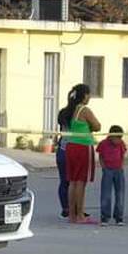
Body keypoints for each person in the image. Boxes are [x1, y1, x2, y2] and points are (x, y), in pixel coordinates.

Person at [64, 83, 101, 224]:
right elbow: (97, 126)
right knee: (81, 182)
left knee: (72, 181)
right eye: (88, 94)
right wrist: (91, 127)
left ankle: (72, 215)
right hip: (83, 146)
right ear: (84, 95)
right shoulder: (84, 110)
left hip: (71, 146)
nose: (90, 97)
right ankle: (80, 215)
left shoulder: (71, 109)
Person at [96, 125, 126, 226]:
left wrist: (121, 166)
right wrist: (103, 167)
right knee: (106, 194)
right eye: (117, 138)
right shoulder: (103, 144)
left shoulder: (121, 144)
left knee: (120, 194)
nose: (119, 140)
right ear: (111, 136)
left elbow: (122, 155)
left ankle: (119, 217)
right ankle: (105, 217)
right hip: (108, 170)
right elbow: (100, 156)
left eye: (120, 138)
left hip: (118, 170)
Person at [55, 91, 74, 219]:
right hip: (73, 149)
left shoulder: (63, 112)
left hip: (62, 149)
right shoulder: (78, 114)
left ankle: (65, 208)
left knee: (64, 181)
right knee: (75, 181)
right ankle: (74, 209)